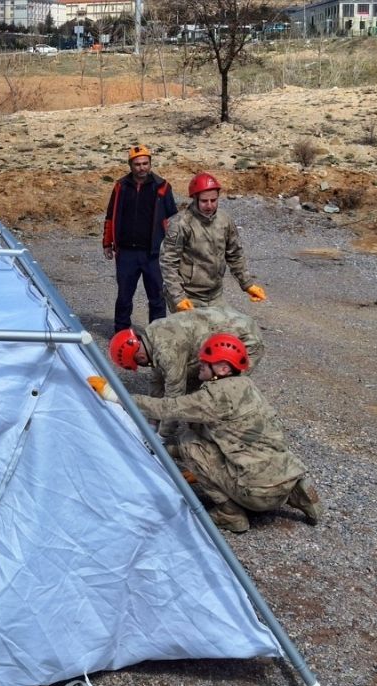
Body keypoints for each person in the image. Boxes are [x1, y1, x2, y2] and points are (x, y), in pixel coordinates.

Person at [91, 334, 321, 534]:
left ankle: (231, 515)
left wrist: (115, 395)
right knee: (259, 448)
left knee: (188, 443)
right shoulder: (247, 386)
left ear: (222, 369)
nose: (199, 364)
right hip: (289, 475)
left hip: (256, 492)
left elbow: (166, 407)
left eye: (205, 362)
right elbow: (220, 433)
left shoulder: (212, 398)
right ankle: (303, 496)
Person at [108, 305, 265, 401]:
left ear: (141, 357)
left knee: (222, 390)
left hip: (245, 340)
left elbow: (174, 396)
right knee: (195, 384)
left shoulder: (166, 351)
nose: (144, 366)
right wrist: (152, 420)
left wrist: (161, 436)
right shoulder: (151, 334)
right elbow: (156, 379)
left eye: (139, 364)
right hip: (230, 325)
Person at [160, 172, 266, 313]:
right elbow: (168, 263)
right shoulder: (180, 224)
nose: (209, 205)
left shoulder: (224, 220)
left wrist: (247, 284)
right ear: (195, 199)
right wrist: (178, 297)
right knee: (194, 333)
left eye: (213, 200)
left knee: (222, 331)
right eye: (204, 201)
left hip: (214, 295)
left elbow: (235, 255)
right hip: (188, 295)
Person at [102, 144, 178, 332]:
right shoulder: (121, 186)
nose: (142, 167)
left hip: (153, 253)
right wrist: (107, 243)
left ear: (150, 163)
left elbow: (174, 219)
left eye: (145, 163)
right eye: (137, 164)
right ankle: (121, 333)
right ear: (130, 165)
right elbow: (110, 215)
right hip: (126, 253)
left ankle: (157, 335)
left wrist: (174, 249)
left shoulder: (162, 187)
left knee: (157, 297)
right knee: (124, 297)